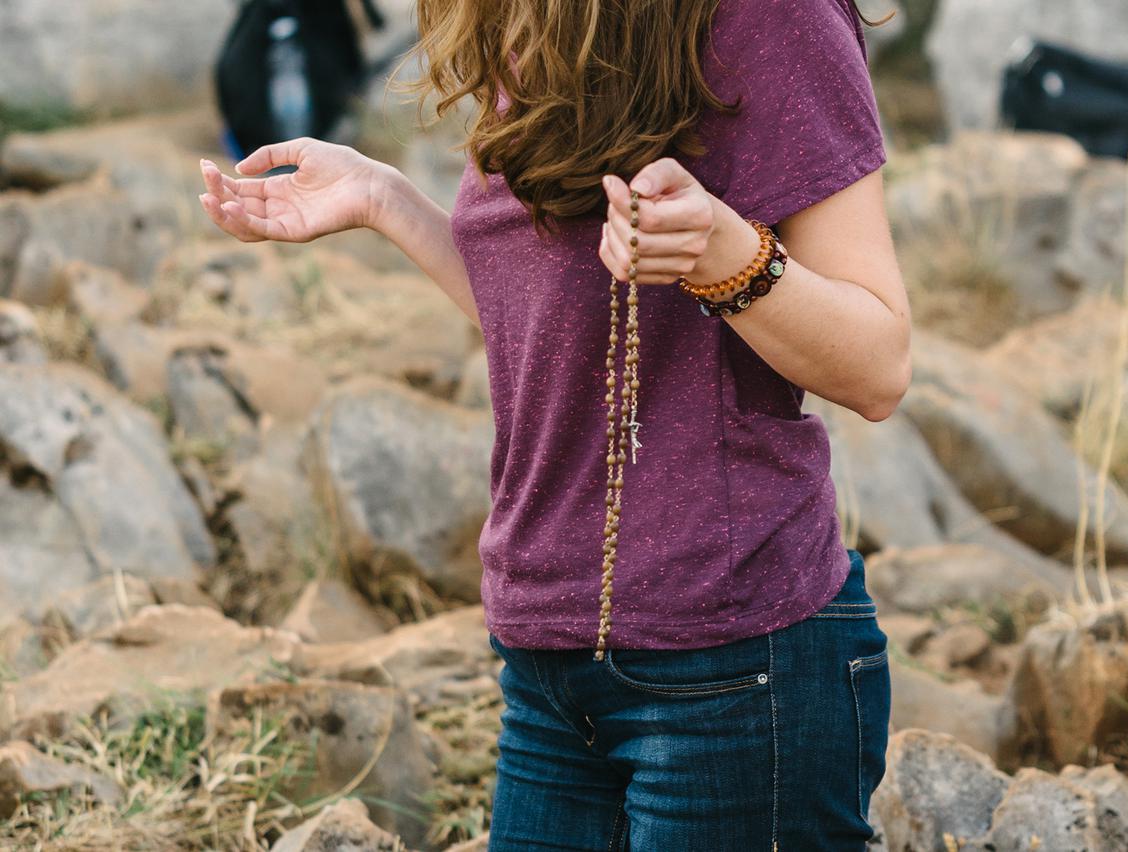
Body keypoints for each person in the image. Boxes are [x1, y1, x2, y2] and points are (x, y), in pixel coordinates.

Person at [197, 0, 911, 847]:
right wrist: (386, 201)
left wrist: (724, 254)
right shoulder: (525, 18)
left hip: (735, 666)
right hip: (547, 671)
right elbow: (548, 333)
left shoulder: (772, 16)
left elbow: (878, 366)